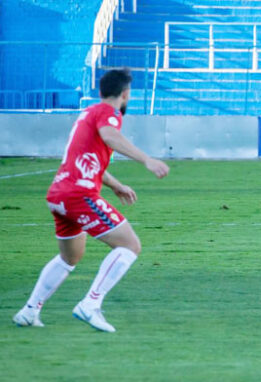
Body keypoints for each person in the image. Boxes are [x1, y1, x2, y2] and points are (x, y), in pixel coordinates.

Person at [12, 68, 170, 332]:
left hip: (59, 194)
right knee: (130, 246)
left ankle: (29, 311)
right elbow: (110, 137)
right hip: (78, 194)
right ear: (125, 93)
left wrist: (116, 185)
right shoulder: (110, 113)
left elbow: (88, 158)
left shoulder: (88, 113)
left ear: (100, 91)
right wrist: (147, 160)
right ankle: (90, 304)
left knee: (69, 258)